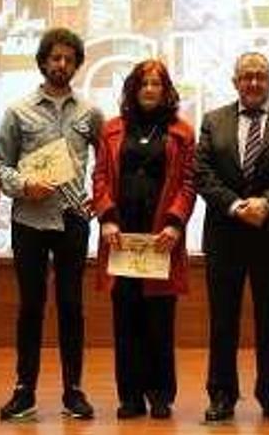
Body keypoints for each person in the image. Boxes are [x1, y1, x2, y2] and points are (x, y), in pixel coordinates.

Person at [0, 27, 104, 421]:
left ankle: (74, 390)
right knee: (31, 307)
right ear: (42, 61)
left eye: (69, 59)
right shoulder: (17, 110)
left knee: (72, 306)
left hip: (73, 221)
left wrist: (99, 197)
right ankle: (25, 390)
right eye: (55, 57)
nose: (61, 64)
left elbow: (106, 165)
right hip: (29, 222)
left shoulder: (90, 112)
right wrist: (24, 185)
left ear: (76, 65)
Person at [195, 52, 269, 423]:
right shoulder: (213, 121)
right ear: (235, 82)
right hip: (224, 234)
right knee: (223, 320)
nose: (253, 82)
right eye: (246, 76)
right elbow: (202, 173)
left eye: (260, 76)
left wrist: (267, 203)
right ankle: (221, 396)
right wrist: (234, 206)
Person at [91, 59, 197, 420]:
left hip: (161, 239)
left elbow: (188, 183)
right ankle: (130, 397)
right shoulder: (111, 130)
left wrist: (175, 224)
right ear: (132, 90)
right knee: (126, 320)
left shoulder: (182, 132)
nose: (149, 89)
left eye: (156, 84)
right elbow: (101, 178)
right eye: (143, 84)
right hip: (121, 240)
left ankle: (161, 396)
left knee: (159, 321)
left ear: (166, 91)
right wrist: (106, 218)